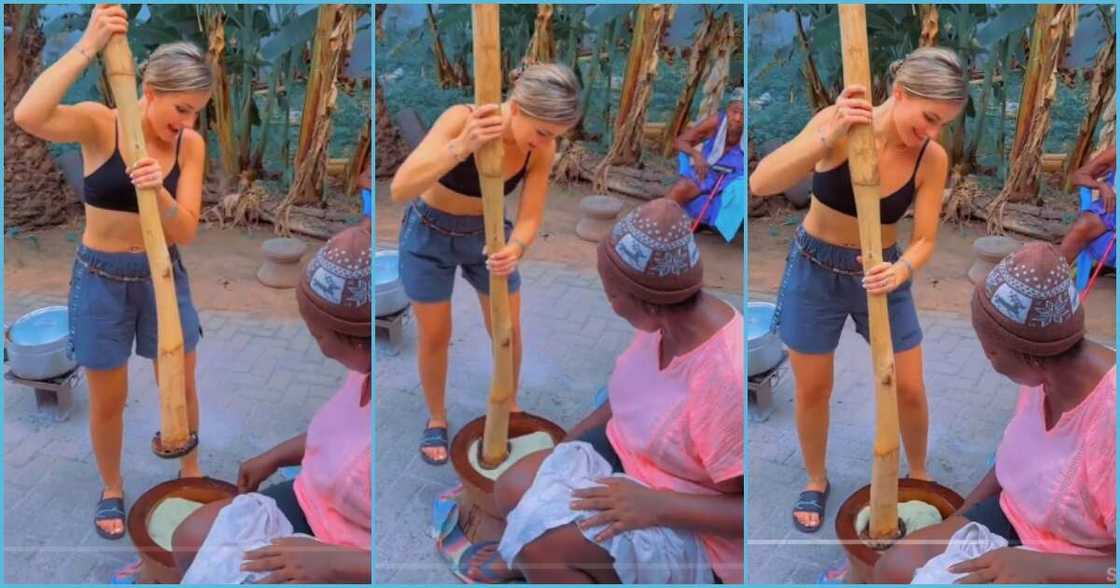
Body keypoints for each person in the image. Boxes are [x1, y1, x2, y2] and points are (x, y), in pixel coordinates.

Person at [459, 200, 744, 584]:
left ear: (646, 303)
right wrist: (563, 450)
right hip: (629, 465)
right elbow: (629, 400)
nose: (609, 303)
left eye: (611, 293)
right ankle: (528, 554)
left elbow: (747, 511)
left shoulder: (724, 376)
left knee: (542, 549)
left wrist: (656, 506)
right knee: (512, 490)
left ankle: (540, 560)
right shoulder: (665, 320)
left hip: (690, 520)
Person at [749, 47, 967, 533]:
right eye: (928, 117)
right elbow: (762, 182)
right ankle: (815, 478)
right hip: (813, 268)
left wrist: (904, 269)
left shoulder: (931, 158)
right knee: (814, 388)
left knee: (909, 386)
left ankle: (919, 474)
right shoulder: (842, 124)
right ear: (901, 92)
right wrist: (827, 135)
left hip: (883, 274)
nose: (931, 132)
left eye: (943, 124)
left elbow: (927, 238)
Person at [13, 6, 211, 540]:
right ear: (149, 89)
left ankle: (189, 471)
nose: (187, 123)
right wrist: (89, 42)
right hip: (100, 278)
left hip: (162, 276)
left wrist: (161, 192)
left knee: (181, 378)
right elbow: (28, 116)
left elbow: (186, 229)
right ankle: (111, 487)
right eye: (181, 109)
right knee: (109, 396)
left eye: (196, 113)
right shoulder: (102, 123)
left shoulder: (189, 146)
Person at [873, 242, 1115, 583]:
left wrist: (1043, 568)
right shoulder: (1043, 374)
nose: (988, 359)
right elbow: (1010, 463)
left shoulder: (1110, 419)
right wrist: (958, 518)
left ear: (1030, 356)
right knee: (893, 568)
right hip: (1014, 518)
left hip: (1079, 559)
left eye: (991, 351)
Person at [389, 64, 582, 465]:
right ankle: (437, 418)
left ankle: (509, 403)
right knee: (437, 334)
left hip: (489, 235)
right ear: (519, 107)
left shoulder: (541, 149)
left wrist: (518, 245)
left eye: (554, 136)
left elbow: (530, 215)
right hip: (428, 233)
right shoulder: (464, 119)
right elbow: (400, 188)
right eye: (542, 131)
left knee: (506, 328)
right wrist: (461, 146)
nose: (544, 143)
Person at [171, 225, 372, 583]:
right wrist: (274, 457)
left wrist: (334, 563)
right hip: (310, 500)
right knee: (189, 539)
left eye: (317, 336)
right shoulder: (362, 371)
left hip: (354, 553)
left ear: (357, 342)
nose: (318, 347)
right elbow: (339, 438)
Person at [664, 88, 745, 231]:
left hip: (735, 177)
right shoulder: (716, 122)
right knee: (680, 189)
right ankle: (658, 223)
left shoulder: (751, 130)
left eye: (743, 114)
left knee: (737, 194)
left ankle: (706, 223)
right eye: (734, 112)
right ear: (728, 110)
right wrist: (697, 155)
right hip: (708, 170)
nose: (738, 118)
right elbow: (680, 141)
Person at [1059, 143, 1115, 266]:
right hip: (1112, 209)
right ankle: (1056, 279)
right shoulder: (1115, 152)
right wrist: (1101, 186)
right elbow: (1078, 176)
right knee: (1082, 227)